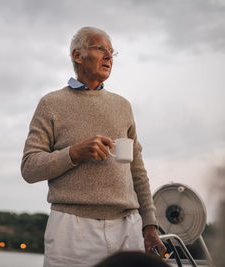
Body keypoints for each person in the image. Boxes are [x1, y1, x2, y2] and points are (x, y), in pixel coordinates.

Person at [21, 27, 166, 266]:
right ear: (77, 56)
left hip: (128, 228)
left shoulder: (123, 106)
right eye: (100, 48)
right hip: (71, 229)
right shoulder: (50, 104)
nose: (109, 56)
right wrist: (74, 153)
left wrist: (150, 225)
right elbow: (29, 168)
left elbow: (137, 170)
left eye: (111, 52)